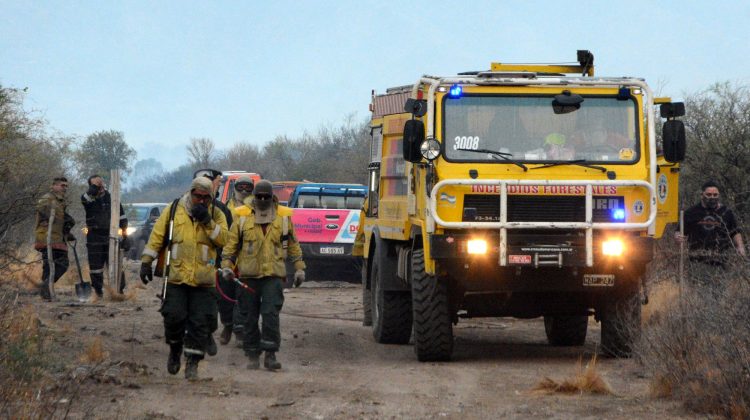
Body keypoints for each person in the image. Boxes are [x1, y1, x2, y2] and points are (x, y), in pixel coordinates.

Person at [140, 176, 228, 380]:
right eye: (198, 196)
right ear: (191, 192)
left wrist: (207, 221)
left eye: (206, 197)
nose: (202, 200)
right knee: (173, 317)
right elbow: (157, 236)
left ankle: (193, 364)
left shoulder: (217, 213)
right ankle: (174, 350)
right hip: (176, 277)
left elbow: (224, 239)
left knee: (200, 324)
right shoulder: (173, 209)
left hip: (203, 280)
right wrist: (146, 262)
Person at [220, 180, 305, 371]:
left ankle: (270, 354)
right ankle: (252, 354)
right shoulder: (242, 219)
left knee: (270, 314)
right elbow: (231, 246)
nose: (263, 200)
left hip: (273, 276)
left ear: (272, 197)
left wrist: (299, 268)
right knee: (249, 316)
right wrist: (226, 266)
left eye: (267, 196)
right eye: (260, 197)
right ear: (254, 197)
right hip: (248, 276)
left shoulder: (283, 219)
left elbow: (293, 245)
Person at [193, 169, 234, 352]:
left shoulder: (221, 210)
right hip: (189, 265)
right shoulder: (180, 208)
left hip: (215, 262)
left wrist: (227, 262)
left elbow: (229, 238)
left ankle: (226, 324)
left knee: (221, 298)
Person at [678, 181, 746, 284]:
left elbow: (735, 232)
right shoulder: (690, 212)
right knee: (699, 294)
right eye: (709, 194)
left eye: (715, 195)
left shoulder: (726, 212)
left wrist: (740, 247)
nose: (712, 197)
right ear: (702, 195)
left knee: (719, 294)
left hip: (721, 262)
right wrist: (677, 236)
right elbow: (679, 231)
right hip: (698, 262)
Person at [220, 175, 254, 346]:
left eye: (248, 187)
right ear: (235, 187)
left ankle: (240, 332)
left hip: (248, 260)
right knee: (225, 296)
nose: (244, 191)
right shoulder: (226, 207)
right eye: (241, 187)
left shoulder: (257, 208)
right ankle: (227, 326)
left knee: (244, 297)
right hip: (228, 258)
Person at [81, 175, 128, 298]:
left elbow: (122, 219)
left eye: (101, 183)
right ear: (91, 186)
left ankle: (119, 291)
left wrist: (125, 236)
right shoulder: (89, 200)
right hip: (94, 237)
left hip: (111, 236)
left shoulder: (113, 199)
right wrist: (94, 187)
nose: (100, 186)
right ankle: (98, 291)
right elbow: (85, 198)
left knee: (115, 264)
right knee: (96, 267)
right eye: (96, 184)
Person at [34, 177, 73, 300]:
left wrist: (67, 229)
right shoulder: (47, 199)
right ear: (53, 186)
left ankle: (45, 289)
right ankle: (45, 290)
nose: (65, 188)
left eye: (66, 186)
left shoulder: (60, 201)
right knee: (52, 265)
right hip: (47, 236)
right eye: (62, 185)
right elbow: (45, 214)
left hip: (58, 237)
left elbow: (61, 220)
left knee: (58, 264)